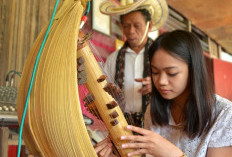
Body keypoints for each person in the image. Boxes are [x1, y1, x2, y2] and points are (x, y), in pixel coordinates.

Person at [95, 30, 232, 157]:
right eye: (155, 72)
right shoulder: (154, 110)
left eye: (171, 73)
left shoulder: (224, 115)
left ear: (193, 71)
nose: (161, 81)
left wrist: (172, 153)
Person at [99, 0, 169, 127]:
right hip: (122, 126)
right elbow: (103, 92)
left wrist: (157, 87)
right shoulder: (113, 59)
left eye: (137, 25)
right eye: (126, 26)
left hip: (156, 126)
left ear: (149, 25)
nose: (131, 31)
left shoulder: (163, 56)